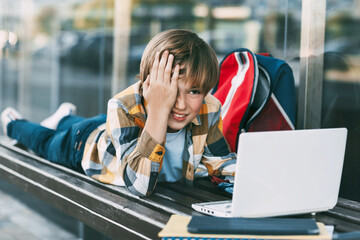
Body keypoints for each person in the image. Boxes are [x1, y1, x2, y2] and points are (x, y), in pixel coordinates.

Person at [1, 29, 236, 197]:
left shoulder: (209, 108)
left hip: (114, 130)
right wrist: (158, 111)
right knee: (46, 142)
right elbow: (138, 185)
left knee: (78, 124)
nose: (182, 105)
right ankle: (14, 122)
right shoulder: (122, 106)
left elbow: (220, 160)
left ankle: (63, 117)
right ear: (148, 86)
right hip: (84, 145)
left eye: (194, 91)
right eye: (171, 90)